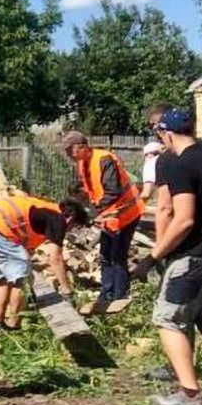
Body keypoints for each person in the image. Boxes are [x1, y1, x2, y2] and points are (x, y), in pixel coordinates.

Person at [133, 108, 202, 405]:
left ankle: (190, 393)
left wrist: (152, 257)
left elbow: (183, 220)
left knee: (167, 319)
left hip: (196, 259)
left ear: (166, 134)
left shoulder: (180, 164)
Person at [0, 194, 90, 329]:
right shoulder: (58, 218)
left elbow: (24, 244)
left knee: (2, 279)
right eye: (74, 226)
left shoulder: (44, 211)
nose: (70, 230)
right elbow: (55, 258)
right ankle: (13, 325)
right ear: (71, 218)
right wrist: (67, 290)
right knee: (20, 280)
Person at [61, 131, 146, 305]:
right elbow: (92, 193)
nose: (68, 154)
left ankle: (120, 296)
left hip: (126, 213)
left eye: (71, 150)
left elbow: (112, 191)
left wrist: (94, 213)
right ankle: (106, 294)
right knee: (105, 255)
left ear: (82, 146)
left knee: (117, 256)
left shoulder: (104, 159)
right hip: (110, 216)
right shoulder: (83, 163)